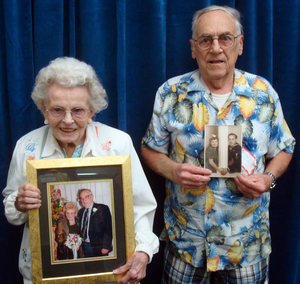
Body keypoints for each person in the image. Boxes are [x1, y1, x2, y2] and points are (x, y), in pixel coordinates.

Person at [141, 5, 295, 283]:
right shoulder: (170, 93)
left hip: (246, 244)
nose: (215, 48)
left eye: (225, 38)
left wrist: (268, 179)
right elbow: (150, 149)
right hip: (186, 244)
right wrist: (173, 171)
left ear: (240, 44)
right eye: (205, 40)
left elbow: (285, 147)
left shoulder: (263, 93)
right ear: (193, 48)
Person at [2, 57, 159, 284]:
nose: (68, 121)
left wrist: (144, 251)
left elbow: (141, 206)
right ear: (43, 109)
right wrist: (19, 202)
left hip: (107, 274)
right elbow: (11, 209)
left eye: (78, 110)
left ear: (92, 110)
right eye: (57, 110)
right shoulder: (26, 147)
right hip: (43, 274)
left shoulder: (118, 144)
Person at [77, 189, 112, 257]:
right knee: (88, 267)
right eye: (82, 198)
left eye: (86, 197)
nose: (84, 200)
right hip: (84, 247)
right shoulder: (80, 212)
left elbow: (109, 228)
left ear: (92, 196)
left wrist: (106, 246)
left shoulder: (102, 208)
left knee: (99, 266)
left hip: (99, 247)